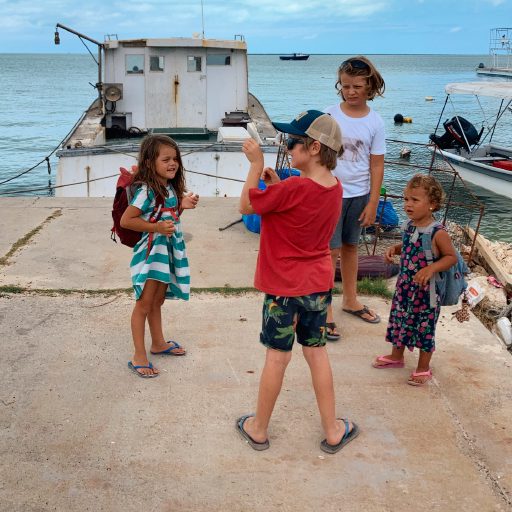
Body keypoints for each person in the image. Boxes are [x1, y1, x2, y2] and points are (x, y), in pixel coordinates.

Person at [236, 110, 359, 453]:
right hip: (317, 286)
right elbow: (301, 214)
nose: (288, 148)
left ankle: (259, 428)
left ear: (314, 147)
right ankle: (333, 430)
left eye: (293, 142)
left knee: (277, 357)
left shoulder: (292, 188)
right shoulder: (336, 188)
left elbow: (245, 206)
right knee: (316, 353)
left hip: (282, 289)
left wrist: (254, 165)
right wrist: (277, 187)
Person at [120, 134, 199, 378]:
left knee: (157, 301)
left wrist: (181, 206)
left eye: (175, 158)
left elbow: (168, 218)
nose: (172, 163)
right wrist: (156, 228)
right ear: (149, 162)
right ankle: (138, 355)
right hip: (151, 255)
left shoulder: (168, 188)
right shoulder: (146, 191)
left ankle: (158, 343)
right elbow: (127, 220)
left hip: (166, 253)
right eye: (166, 159)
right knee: (143, 304)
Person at [372, 174, 457, 386]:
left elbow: (451, 257)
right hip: (405, 288)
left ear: (432, 205)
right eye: (406, 199)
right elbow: (409, 245)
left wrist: (431, 268)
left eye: (415, 200)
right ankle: (396, 356)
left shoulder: (438, 232)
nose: (408, 204)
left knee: (424, 329)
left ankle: (423, 368)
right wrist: (395, 248)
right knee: (400, 321)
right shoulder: (410, 226)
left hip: (427, 294)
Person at [323, 56, 386, 341]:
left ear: (369, 87)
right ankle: (324, 311)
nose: (351, 91)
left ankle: (350, 300)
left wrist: (373, 202)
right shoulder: (329, 116)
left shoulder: (376, 122)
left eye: (357, 86)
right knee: (329, 252)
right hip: (331, 194)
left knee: (350, 248)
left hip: (359, 196)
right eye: (346, 86)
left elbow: (376, 164)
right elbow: (316, 155)